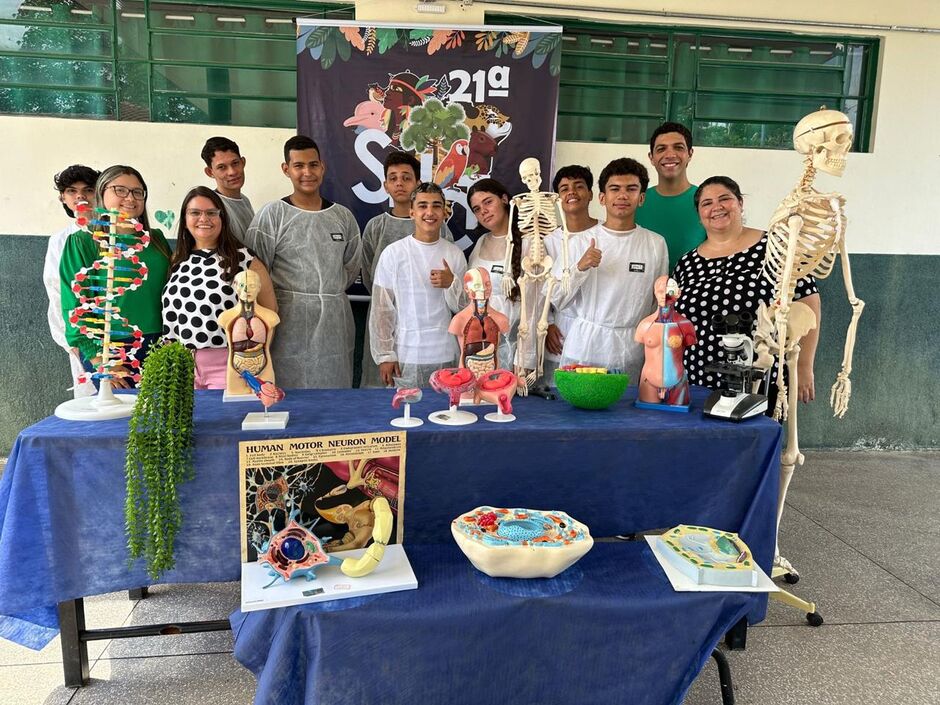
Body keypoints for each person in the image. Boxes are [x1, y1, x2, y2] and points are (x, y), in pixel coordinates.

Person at [672, 176, 820, 407]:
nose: (716, 207)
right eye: (707, 203)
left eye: (725, 199)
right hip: (697, 377)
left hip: (760, 374)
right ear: (699, 215)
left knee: (755, 438)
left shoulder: (776, 247)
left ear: (740, 203)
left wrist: (804, 366)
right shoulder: (687, 263)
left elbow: (808, 303)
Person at [240, 135, 362, 389]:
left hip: (334, 322)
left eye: (313, 165)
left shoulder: (342, 217)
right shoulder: (272, 216)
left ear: (322, 166)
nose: (307, 172)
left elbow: (350, 267)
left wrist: (325, 292)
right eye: (298, 166)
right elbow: (256, 273)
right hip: (286, 323)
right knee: (287, 393)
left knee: (334, 390)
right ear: (286, 169)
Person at [551, 158, 668, 383]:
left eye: (631, 189)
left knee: (625, 414)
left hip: (631, 347)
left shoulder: (655, 243)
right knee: (575, 413)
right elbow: (556, 298)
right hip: (585, 346)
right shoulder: (579, 242)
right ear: (603, 198)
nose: (623, 196)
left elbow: (657, 303)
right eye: (615, 189)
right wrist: (579, 268)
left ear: (641, 198)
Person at [59, 165, 171, 389]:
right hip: (112, 348)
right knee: (121, 419)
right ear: (101, 193)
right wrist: (100, 360)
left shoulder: (156, 240)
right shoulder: (83, 242)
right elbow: (74, 306)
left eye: (137, 192)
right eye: (120, 190)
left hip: (162, 344)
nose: (130, 198)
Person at [162, 186, 276, 389]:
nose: (203, 219)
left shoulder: (245, 260)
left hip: (228, 363)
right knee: (188, 421)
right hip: (180, 365)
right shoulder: (177, 260)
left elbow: (269, 312)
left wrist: (254, 360)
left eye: (212, 213)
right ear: (185, 219)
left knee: (227, 419)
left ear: (222, 218)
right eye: (195, 213)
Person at [360, 151, 453, 387]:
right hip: (393, 333)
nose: (399, 183)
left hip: (437, 343)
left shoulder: (443, 235)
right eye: (393, 178)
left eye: (406, 177)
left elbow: (458, 292)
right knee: (387, 394)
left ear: (417, 183)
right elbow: (369, 275)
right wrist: (385, 351)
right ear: (385, 185)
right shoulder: (376, 228)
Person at [369, 182, 467, 388]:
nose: (429, 212)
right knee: (407, 414)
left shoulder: (454, 254)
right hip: (406, 354)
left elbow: (465, 310)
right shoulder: (394, 253)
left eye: (436, 206)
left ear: (444, 212)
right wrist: (385, 355)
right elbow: (382, 309)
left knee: (445, 414)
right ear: (412, 212)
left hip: (445, 353)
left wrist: (452, 284)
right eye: (423, 206)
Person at [44, 165, 99, 397]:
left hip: (123, 331)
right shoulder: (59, 241)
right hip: (83, 336)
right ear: (62, 198)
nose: (80, 196)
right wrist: (70, 340)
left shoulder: (115, 232)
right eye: (71, 191)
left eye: (88, 189)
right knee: (94, 402)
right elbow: (57, 292)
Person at [544, 165, 599, 379]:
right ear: (558, 198)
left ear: (591, 194)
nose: (572, 192)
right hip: (560, 331)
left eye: (579, 186)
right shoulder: (549, 241)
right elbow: (542, 289)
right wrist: (548, 324)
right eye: (564, 188)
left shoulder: (604, 233)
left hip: (595, 332)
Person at [466, 178, 523, 371]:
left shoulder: (529, 241)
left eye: (488, 202)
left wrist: (526, 357)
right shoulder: (482, 242)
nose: (483, 211)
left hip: (517, 346)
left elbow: (538, 302)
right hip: (482, 346)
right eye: (476, 208)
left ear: (505, 199)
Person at [636, 122, 706, 271]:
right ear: (651, 157)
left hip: (693, 290)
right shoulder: (636, 202)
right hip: (643, 290)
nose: (670, 155)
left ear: (690, 154)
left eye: (678, 147)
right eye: (661, 149)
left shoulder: (707, 201)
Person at [201, 136, 254, 241]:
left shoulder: (244, 200)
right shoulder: (212, 207)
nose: (232, 172)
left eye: (235, 163)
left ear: (243, 162)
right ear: (210, 172)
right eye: (221, 167)